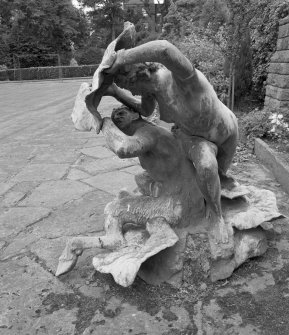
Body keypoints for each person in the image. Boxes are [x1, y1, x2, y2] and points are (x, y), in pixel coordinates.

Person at [88, 40, 238, 255]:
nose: (133, 91)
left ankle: (210, 203)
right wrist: (114, 92)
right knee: (205, 166)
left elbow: (164, 49)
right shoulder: (151, 92)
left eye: (129, 87)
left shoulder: (183, 79)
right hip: (193, 137)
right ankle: (217, 217)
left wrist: (120, 58)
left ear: (141, 74)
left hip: (227, 132)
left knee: (218, 179)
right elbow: (145, 111)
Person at [56, 106, 206, 276]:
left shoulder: (148, 133)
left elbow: (123, 148)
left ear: (135, 114)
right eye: (114, 117)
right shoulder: (151, 132)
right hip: (183, 200)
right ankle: (115, 238)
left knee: (116, 209)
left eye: (121, 113)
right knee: (124, 199)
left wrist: (102, 123)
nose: (116, 118)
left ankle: (80, 244)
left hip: (178, 205)